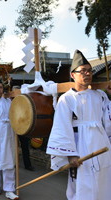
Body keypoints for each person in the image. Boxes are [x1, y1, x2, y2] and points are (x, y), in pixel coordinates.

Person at [46, 49, 111, 200]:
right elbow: (62, 127)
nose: (87, 74)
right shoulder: (67, 99)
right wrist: (70, 154)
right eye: (83, 71)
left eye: (89, 71)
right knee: (83, 184)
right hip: (80, 145)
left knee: (103, 180)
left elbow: (108, 119)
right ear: (73, 74)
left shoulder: (100, 95)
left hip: (101, 143)